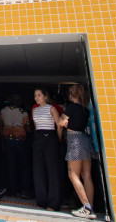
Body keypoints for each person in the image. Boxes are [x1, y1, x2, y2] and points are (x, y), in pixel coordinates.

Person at [59, 84, 96, 219]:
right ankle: (90, 206)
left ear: (71, 95)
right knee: (87, 175)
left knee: (72, 174)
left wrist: (66, 124)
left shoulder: (71, 107)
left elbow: (60, 122)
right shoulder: (85, 109)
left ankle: (86, 207)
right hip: (85, 140)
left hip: (74, 139)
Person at [32, 88, 62, 211]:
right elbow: (36, 126)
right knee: (38, 170)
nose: (37, 97)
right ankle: (41, 200)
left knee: (52, 170)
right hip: (39, 137)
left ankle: (53, 203)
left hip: (50, 137)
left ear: (45, 96)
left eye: (39, 95)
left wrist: (57, 140)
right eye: (35, 95)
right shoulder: (35, 110)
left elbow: (59, 125)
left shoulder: (52, 108)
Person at [0, 94, 32, 199]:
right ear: (18, 102)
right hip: (20, 141)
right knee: (24, 167)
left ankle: (12, 191)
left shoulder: (3, 111)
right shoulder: (23, 113)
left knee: (11, 166)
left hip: (7, 140)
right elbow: (28, 128)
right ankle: (24, 191)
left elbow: (0, 125)